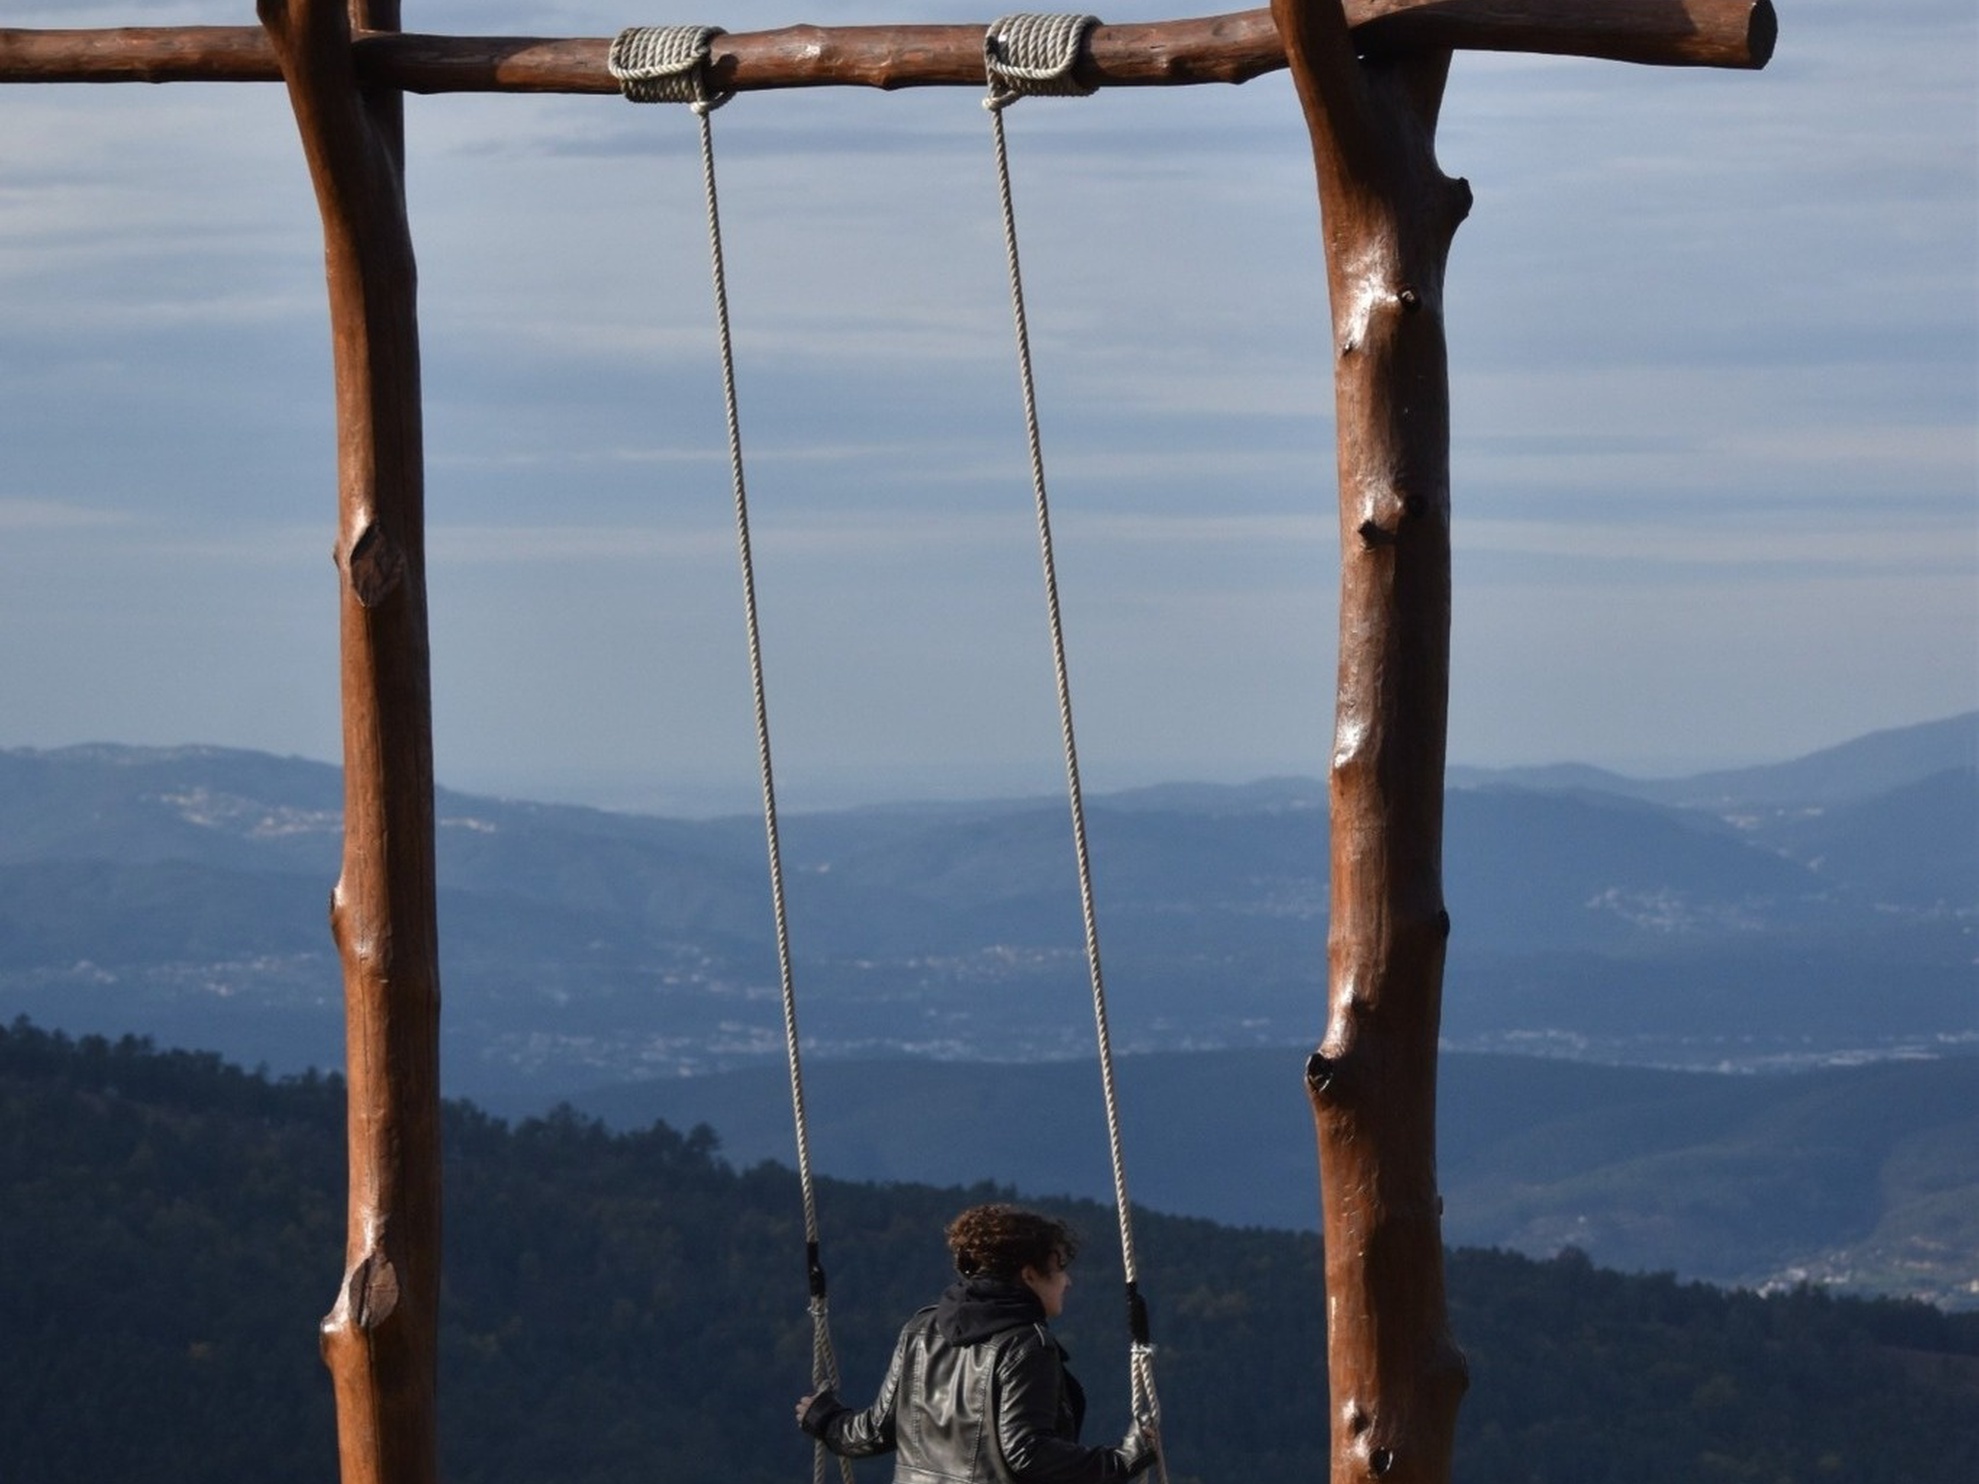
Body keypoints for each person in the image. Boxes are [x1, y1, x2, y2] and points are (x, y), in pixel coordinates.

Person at [795, 1202, 1159, 1483]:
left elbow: (876, 1430)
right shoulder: (1025, 1345)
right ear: (1029, 1275)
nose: (1068, 1281)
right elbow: (1027, 1452)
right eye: (1060, 1267)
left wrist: (825, 1419)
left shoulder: (921, 1328)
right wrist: (1122, 1461)